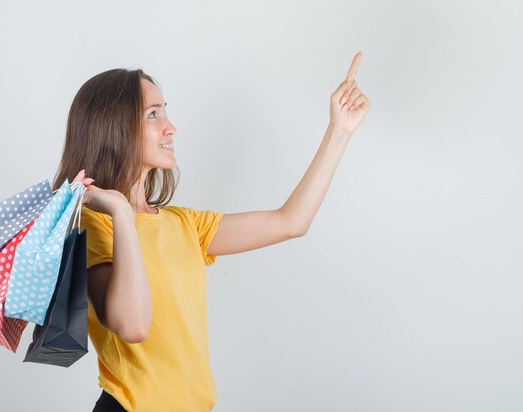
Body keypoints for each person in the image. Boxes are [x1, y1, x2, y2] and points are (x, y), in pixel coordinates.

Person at [52, 51, 370, 411]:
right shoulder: (93, 225)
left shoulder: (184, 225)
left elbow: (290, 222)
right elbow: (133, 326)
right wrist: (122, 213)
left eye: (165, 111)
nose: (171, 127)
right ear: (114, 128)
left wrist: (338, 131)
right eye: (153, 115)